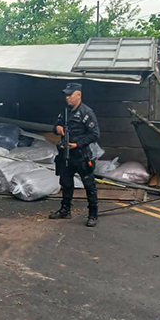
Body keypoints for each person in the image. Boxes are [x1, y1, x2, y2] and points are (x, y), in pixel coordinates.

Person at [49, 82, 100, 228]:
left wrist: (77, 144)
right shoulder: (65, 112)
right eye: (66, 95)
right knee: (66, 183)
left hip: (81, 155)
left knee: (89, 185)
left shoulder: (86, 113)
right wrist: (57, 128)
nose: (67, 98)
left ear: (78, 95)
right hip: (66, 155)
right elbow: (55, 127)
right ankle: (65, 210)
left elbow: (95, 134)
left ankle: (93, 214)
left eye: (70, 95)